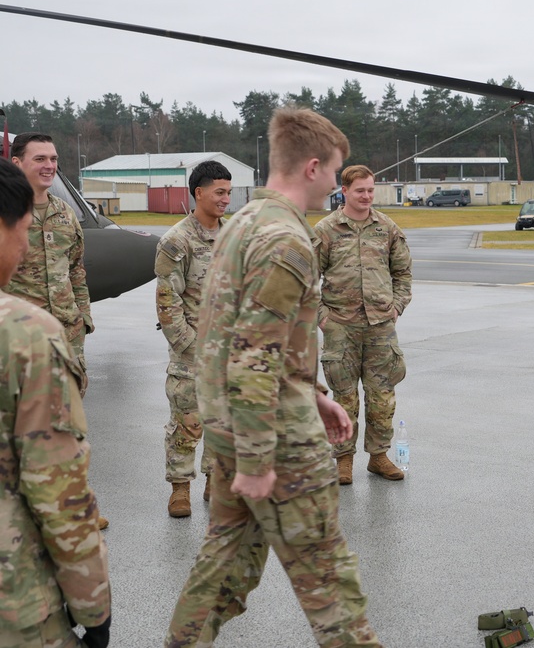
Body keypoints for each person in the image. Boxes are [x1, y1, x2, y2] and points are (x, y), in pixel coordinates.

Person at [164, 108, 381, 648]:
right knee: (332, 584)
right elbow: (253, 354)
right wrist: (261, 460)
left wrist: (313, 395)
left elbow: (249, 336)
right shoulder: (286, 239)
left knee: (222, 570)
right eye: (335, 171)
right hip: (275, 441)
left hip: (234, 427)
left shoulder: (243, 223)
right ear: (312, 167)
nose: (336, 182)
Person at [0, 157, 112, 647]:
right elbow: (56, 490)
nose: (25, 245)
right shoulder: (22, 335)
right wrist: (94, 609)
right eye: (20, 231)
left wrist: (81, 317)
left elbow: (78, 270)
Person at [5, 132, 109, 531]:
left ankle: (76, 505)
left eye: (53, 159)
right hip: (18, 340)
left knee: (72, 424)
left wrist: (83, 316)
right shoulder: (6, 215)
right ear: (17, 163)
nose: (49, 166)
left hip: (66, 337)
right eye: (39, 159)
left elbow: (78, 269)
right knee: (17, 425)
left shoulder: (66, 214)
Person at [314, 164, 412, 485]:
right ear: (344, 191)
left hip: (380, 326)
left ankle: (379, 456)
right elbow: (303, 281)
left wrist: (396, 307)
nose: (367, 196)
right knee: (344, 396)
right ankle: (343, 459)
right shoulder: (325, 230)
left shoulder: (387, 228)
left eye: (370, 190)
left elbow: (403, 274)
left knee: (382, 394)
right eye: (360, 190)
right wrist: (322, 317)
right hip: (340, 327)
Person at [154, 160, 231, 517]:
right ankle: (180, 489)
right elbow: (167, 303)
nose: (226, 199)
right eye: (220, 192)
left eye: (229, 192)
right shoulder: (176, 241)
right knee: (187, 423)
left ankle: (215, 482)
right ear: (199, 193)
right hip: (191, 351)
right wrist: (191, 347)